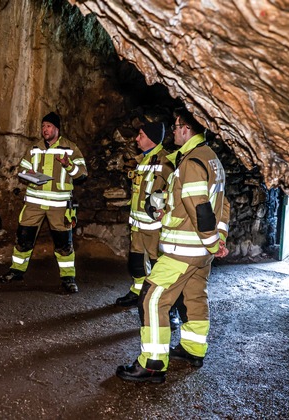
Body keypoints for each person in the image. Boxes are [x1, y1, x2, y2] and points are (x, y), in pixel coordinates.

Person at [116, 107, 227, 384]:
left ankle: (152, 364)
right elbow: (223, 206)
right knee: (194, 298)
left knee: (152, 299)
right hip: (200, 254)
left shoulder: (190, 162)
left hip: (184, 250)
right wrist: (218, 240)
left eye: (177, 127)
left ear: (187, 129)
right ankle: (193, 349)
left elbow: (200, 210)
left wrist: (213, 242)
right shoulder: (212, 159)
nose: (174, 131)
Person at [0, 112, 88, 293]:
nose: (44, 130)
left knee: (64, 243)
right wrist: (29, 173)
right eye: (42, 126)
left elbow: (82, 174)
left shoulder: (70, 148)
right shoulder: (35, 148)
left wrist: (68, 165)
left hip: (59, 205)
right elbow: (23, 168)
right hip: (34, 203)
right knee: (23, 238)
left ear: (56, 128)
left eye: (48, 126)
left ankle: (68, 278)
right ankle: (17, 270)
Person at [115, 121, 170, 307]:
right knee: (136, 262)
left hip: (156, 227)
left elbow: (174, 193)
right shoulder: (143, 160)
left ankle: (165, 304)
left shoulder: (167, 161)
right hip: (138, 225)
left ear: (152, 139)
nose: (137, 139)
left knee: (159, 265)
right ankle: (137, 291)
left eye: (141, 135)